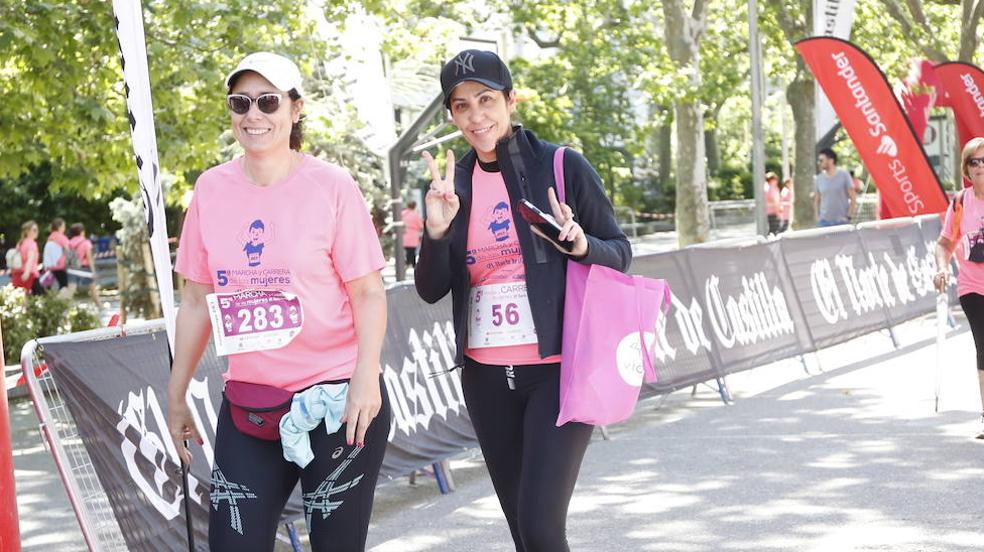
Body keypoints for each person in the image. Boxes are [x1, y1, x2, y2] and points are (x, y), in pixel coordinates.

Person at [165, 52, 389, 552]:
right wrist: (176, 393)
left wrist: (365, 379)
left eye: (268, 101)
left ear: (294, 108)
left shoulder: (331, 185)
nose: (253, 115)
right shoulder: (210, 188)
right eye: (240, 103)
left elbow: (369, 292)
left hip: (337, 404)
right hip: (252, 405)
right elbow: (198, 299)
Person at [415, 49, 631, 552]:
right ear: (451, 115)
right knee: (522, 533)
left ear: (511, 101)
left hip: (556, 372)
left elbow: (619, 252)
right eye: (461, 105)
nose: (475, 116)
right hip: (485, 377)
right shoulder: (455, 184)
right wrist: (436, 231)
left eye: (486, 99)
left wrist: (578, 244)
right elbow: (430, 288)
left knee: (540, 527)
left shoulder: (560, 165)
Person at [935, 136, 984, 439]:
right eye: (974, 162)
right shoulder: (961, 202)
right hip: (972, 286)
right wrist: (941, 267)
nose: (980, 167)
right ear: (966, 168)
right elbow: (944, 243)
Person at [814, 148, 856, 227]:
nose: (818, 163)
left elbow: (853, 197)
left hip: (841, 222)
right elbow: (817, 200)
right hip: (824, 222)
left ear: (831, 160)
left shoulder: (844, 175)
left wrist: (848, 217)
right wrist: (818, 218)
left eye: (821, 160)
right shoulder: (819, 179)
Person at [64, 223, 100, 304]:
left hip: (72, 268)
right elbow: (89, 258)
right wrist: (93, 271)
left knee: (71, 289)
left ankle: (63, 307)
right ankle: (100, 307)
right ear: (82, 232)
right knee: (92, 288)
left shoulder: (69, 242)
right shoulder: (86, 242)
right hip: (84, 268)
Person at [11, 220, 44, 295]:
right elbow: (30, 259)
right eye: (34, 230)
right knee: (39, 298)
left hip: (19, 274)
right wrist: (27, 272)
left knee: (22, 297)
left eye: (37, 230)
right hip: (31, 274)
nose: (37, 232)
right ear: (27, 231)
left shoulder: (20, 243)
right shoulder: (31, 243)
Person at [43, 218, 70, 289]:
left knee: (54, 285)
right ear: (59, 227)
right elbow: (68, 251)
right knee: (64, 286)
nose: (64, 228)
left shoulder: (50, 237)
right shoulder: (62, 237)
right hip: (60, 265)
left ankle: (55, 298)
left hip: (50, 266)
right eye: (64, 226)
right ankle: (59, 299)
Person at [400, 199, 424, 268]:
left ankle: (408, 263)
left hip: (404, 233)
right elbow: (421, 225)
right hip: (413, 234)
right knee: (412, 250)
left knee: (407, 250)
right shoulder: (415, 215)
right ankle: (412, 264)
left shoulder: (402, 214)